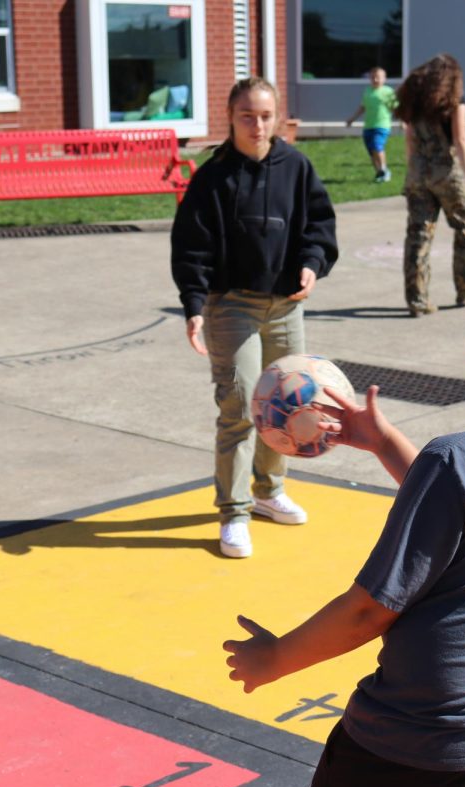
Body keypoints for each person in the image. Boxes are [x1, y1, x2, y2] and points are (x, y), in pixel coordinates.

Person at [223, 249, 465, 787]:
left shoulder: (455, 460)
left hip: (419, 746)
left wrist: (275, 657)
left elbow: (368, 609)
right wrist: (384, 443)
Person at [171, 76, 338, 559]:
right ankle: (234, 511)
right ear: (230, 117)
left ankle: (268, 490)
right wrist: (193, 304)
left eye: (265, 116)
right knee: (241, 405)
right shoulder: (214, 175)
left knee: (286, 405)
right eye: (247, 116)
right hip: (233, 306)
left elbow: (319, 226)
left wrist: (312, 263)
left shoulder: (297, 167)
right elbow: (191, 246)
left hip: (286, 305)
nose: (257, 125)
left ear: (279, 118)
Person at [394, 53, 465, 318]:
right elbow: (461, 138)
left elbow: (409, 139)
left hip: (418, 172)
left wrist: (413, 172)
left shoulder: (415, 102)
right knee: (464, 228)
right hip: (446, 173)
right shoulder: (455, 101)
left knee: (418, 234)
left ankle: (417, 300)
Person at [345, 67, 398, 183]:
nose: (375, 79)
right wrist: (352, 119)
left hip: (382, 125)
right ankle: (379, 172)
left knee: (377, 146)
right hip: (368, 126)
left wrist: (402, 121)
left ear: (384, 79)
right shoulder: (368, 91)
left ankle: (384, 170)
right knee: (372, 151)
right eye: (373, 77)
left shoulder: (388, 92)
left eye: (378, 77)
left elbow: (395, 108)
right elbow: (362, 107)